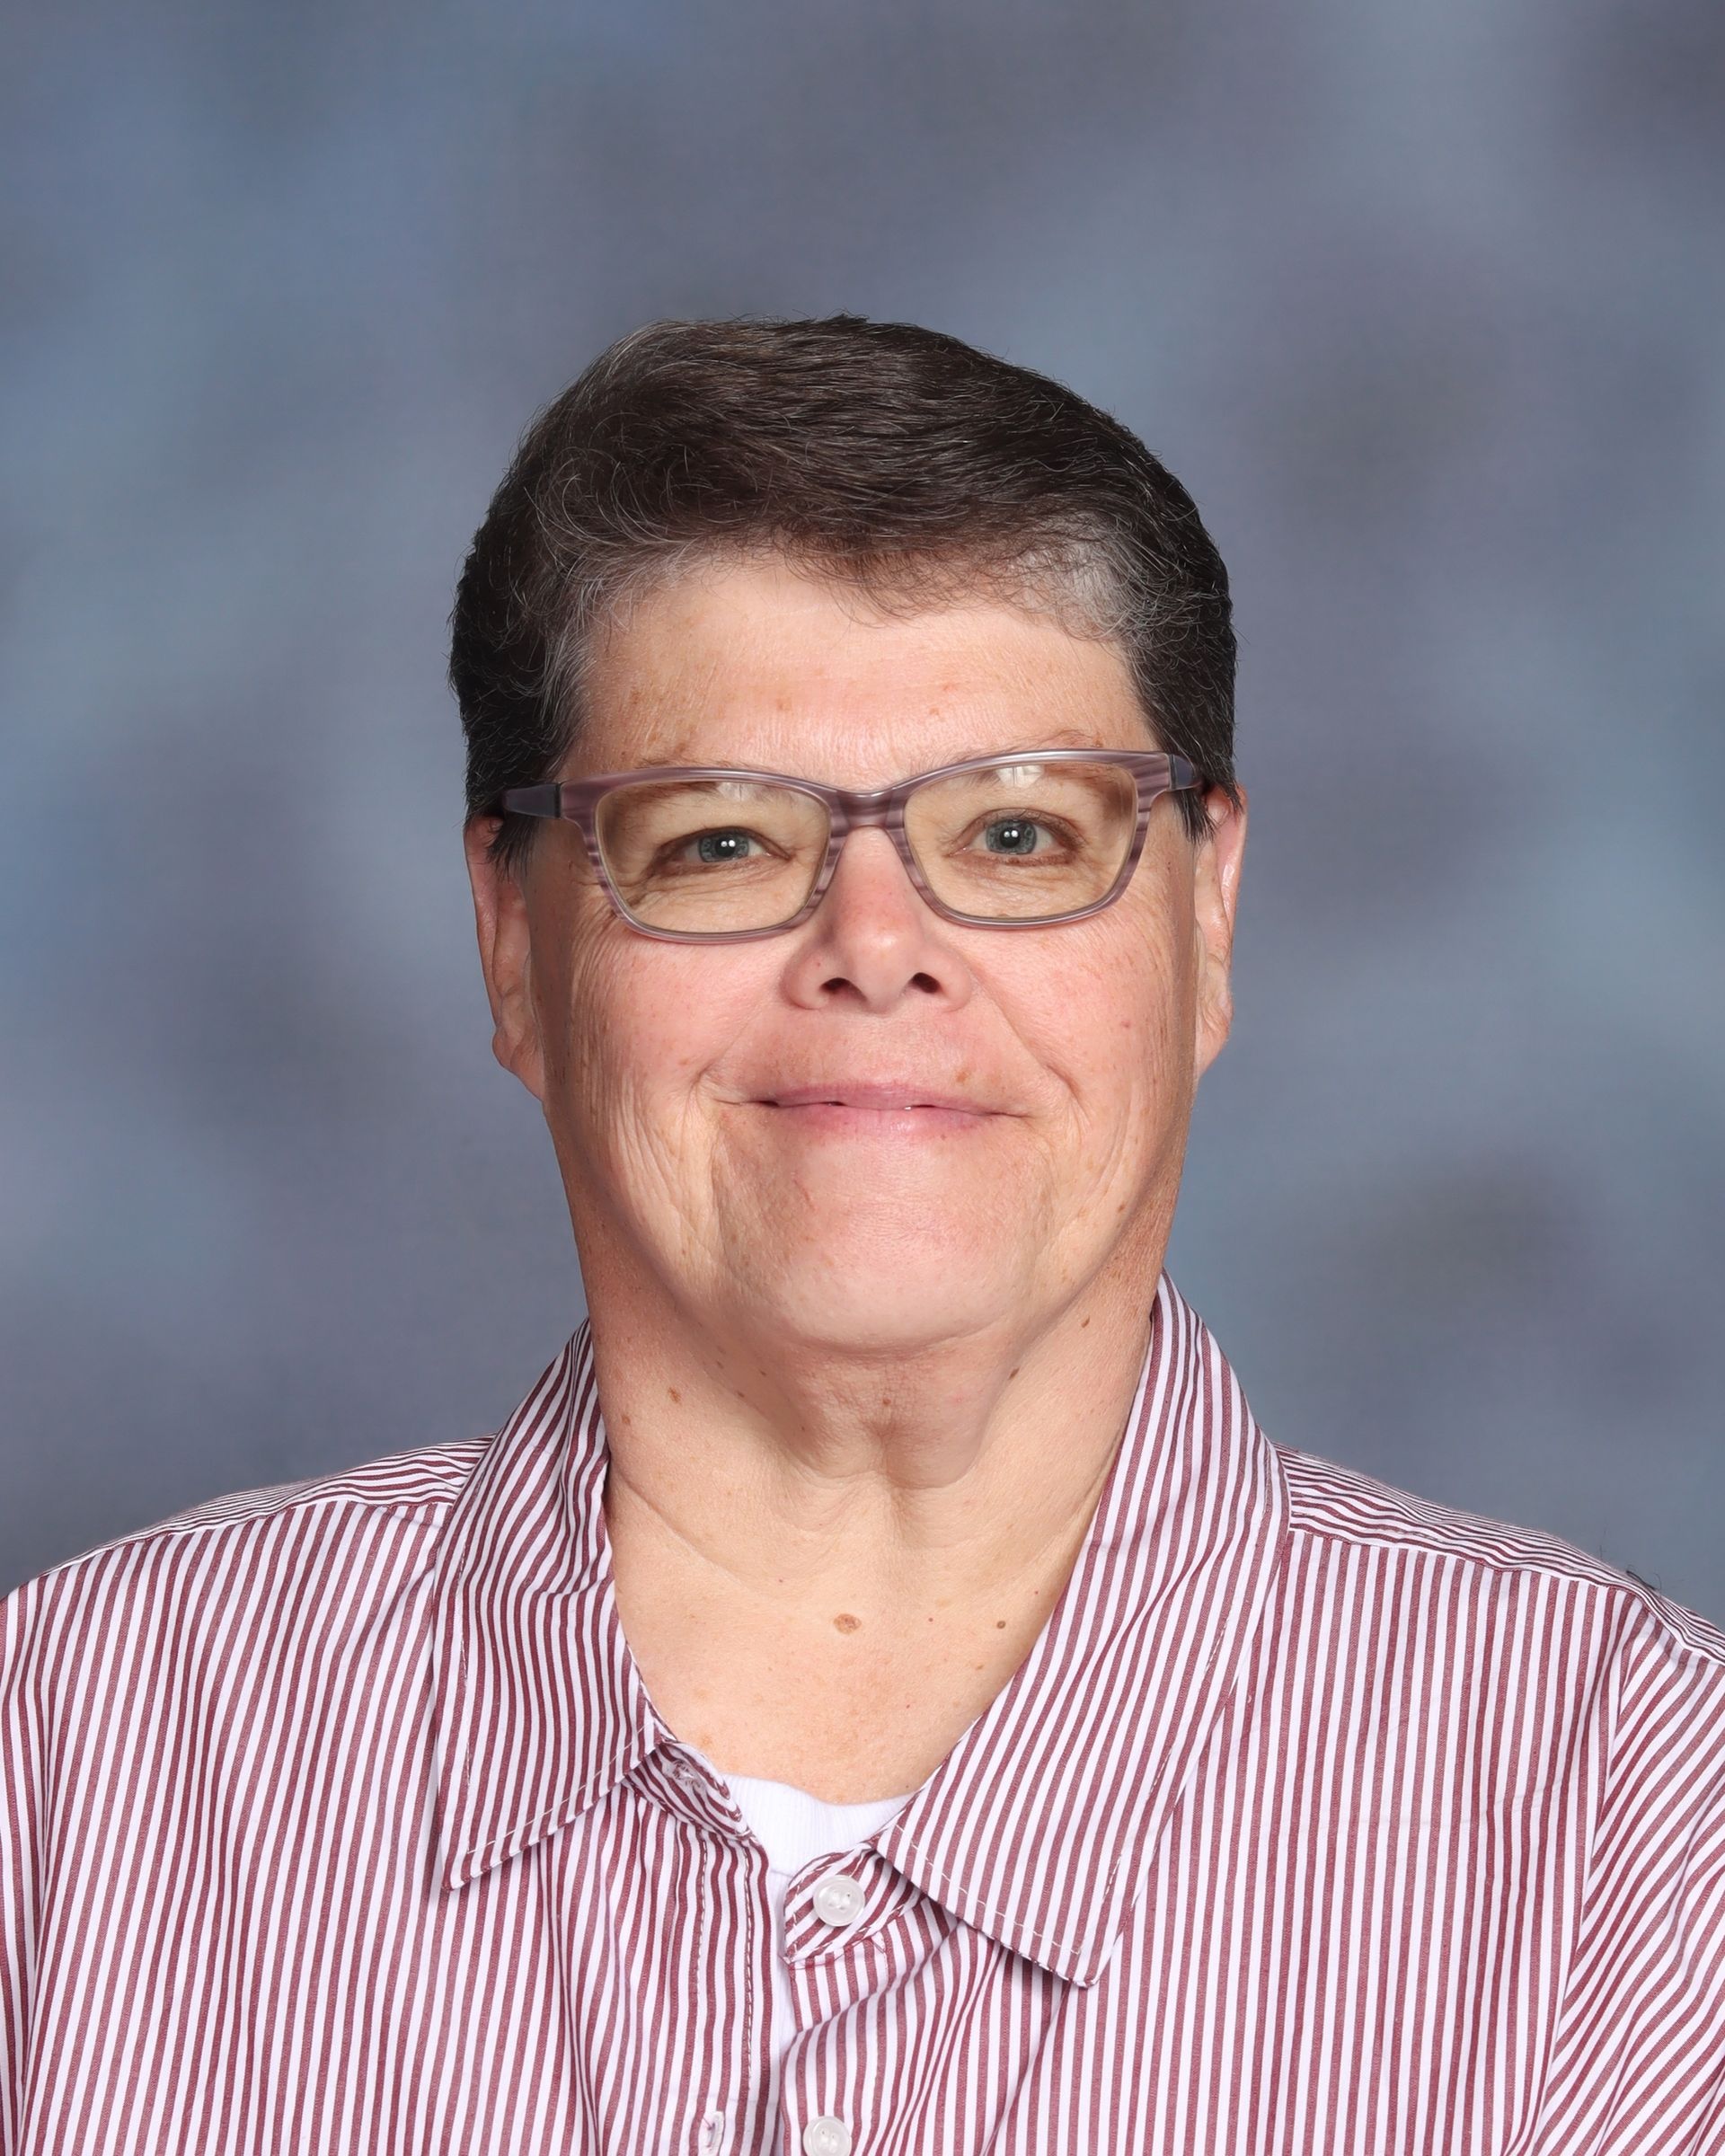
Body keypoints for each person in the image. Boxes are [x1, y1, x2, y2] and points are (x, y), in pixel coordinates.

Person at [2, 315, 1721, 2156]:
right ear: (513, 944)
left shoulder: (1629, 1809)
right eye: (721, 842)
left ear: (1208, 916)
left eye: (1020, 833)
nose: (878, 945)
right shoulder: (77, 1764)